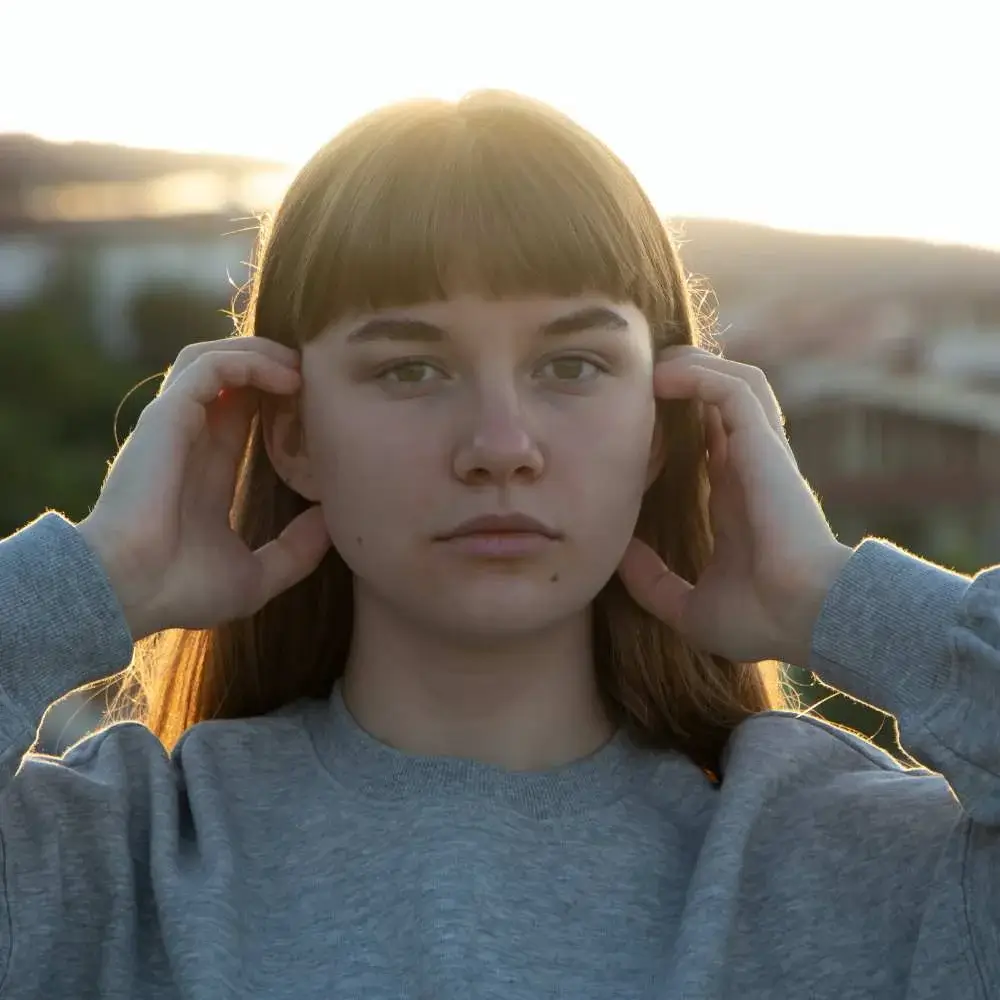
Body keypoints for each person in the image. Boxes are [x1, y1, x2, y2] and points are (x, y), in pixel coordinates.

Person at [1, 90, 996, 1000]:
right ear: (293, 434)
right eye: (409, 369)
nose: (499, 448)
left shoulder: (859, 866)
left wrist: (832, 595)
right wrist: (92, 579)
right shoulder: (106, 864)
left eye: (571, 362)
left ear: (662, 423)